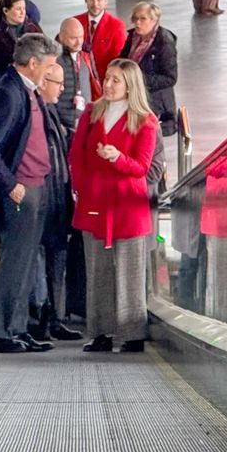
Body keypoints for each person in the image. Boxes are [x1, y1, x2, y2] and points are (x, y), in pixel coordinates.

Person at [0, 32, 63, 354]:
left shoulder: (28, 91)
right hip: (21, 192)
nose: (51, 72)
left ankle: (19, 329)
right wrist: (11, 186)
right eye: (49, 65)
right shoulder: (9, 93)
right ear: (33, 63)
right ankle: (3, 334)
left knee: (24, 266)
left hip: (36, 186)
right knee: (13, 266)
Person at [69, 59, 158, 353]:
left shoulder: (145, 120)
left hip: (127, 207)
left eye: (116, 80)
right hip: (95, 203)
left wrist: (117, 157)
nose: (108, 85)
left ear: (130, 86)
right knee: (98, 270)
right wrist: (82, 189)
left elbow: (142, 167)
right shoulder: (92, 114)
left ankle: (133, 333)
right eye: (107, 78)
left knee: (131, 270)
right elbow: (77, 156)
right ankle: (101, 332)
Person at [28, 62, 84, 341]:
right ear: (43, 81)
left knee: (56, 263)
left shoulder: (49, 110)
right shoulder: (33, 108)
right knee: (40, 263)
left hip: (59, 200)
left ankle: (54, 318)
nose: (63, 90)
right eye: (58, 83)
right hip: (43, 200)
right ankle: (38, 318)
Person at [120, 2, 179, 136]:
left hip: (155, 103)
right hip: (133, 99)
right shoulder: (131, 37)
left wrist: (138, 80)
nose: (137, 23)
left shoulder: (164, 42)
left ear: (154, 20)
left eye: (143, 19)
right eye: (135, 18)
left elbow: (170, 78)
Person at [54, 17, 99, 135]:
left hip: (84, 122)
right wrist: (55, 123)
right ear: (62, 36)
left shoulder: (86, 56)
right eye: (73, 38)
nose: (79, 42)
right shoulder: (53, 59)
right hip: (62, 126)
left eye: (81, 37)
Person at [74, 0, 126, 79]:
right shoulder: (75, 22)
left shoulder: (116, 25)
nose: (95, 4)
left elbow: (119, 58)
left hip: (104, 80)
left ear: (106, 1)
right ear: (85, 0)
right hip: (79, 78)